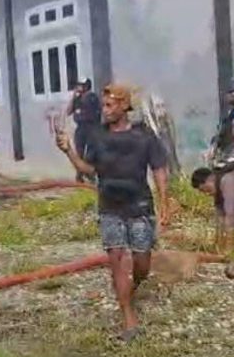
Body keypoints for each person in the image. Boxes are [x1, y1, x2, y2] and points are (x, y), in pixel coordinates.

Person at [55, 83, 170, 342]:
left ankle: (134, 285)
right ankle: (128, 318)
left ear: (124, 106)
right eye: (103, 106)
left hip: (139, 206)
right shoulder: (97, 137)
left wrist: (165, 202)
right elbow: (88, 169)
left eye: (109, 105)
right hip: (110, 207)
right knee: (116, 259)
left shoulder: (143, 136)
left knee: (142, 263)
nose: (104, 110)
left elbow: (159, 169)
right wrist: (68, 150)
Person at [65, 78, 100, 182]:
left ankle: (89, 174)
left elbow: (95, 113)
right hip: (80, 128)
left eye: (80, 85)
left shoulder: (92, 97)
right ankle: (79, 175)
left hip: (91, 127)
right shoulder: (77, 98)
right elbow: (68, 111)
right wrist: (73, 97)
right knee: (79, 152)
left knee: (90, 153)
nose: (78, 87)